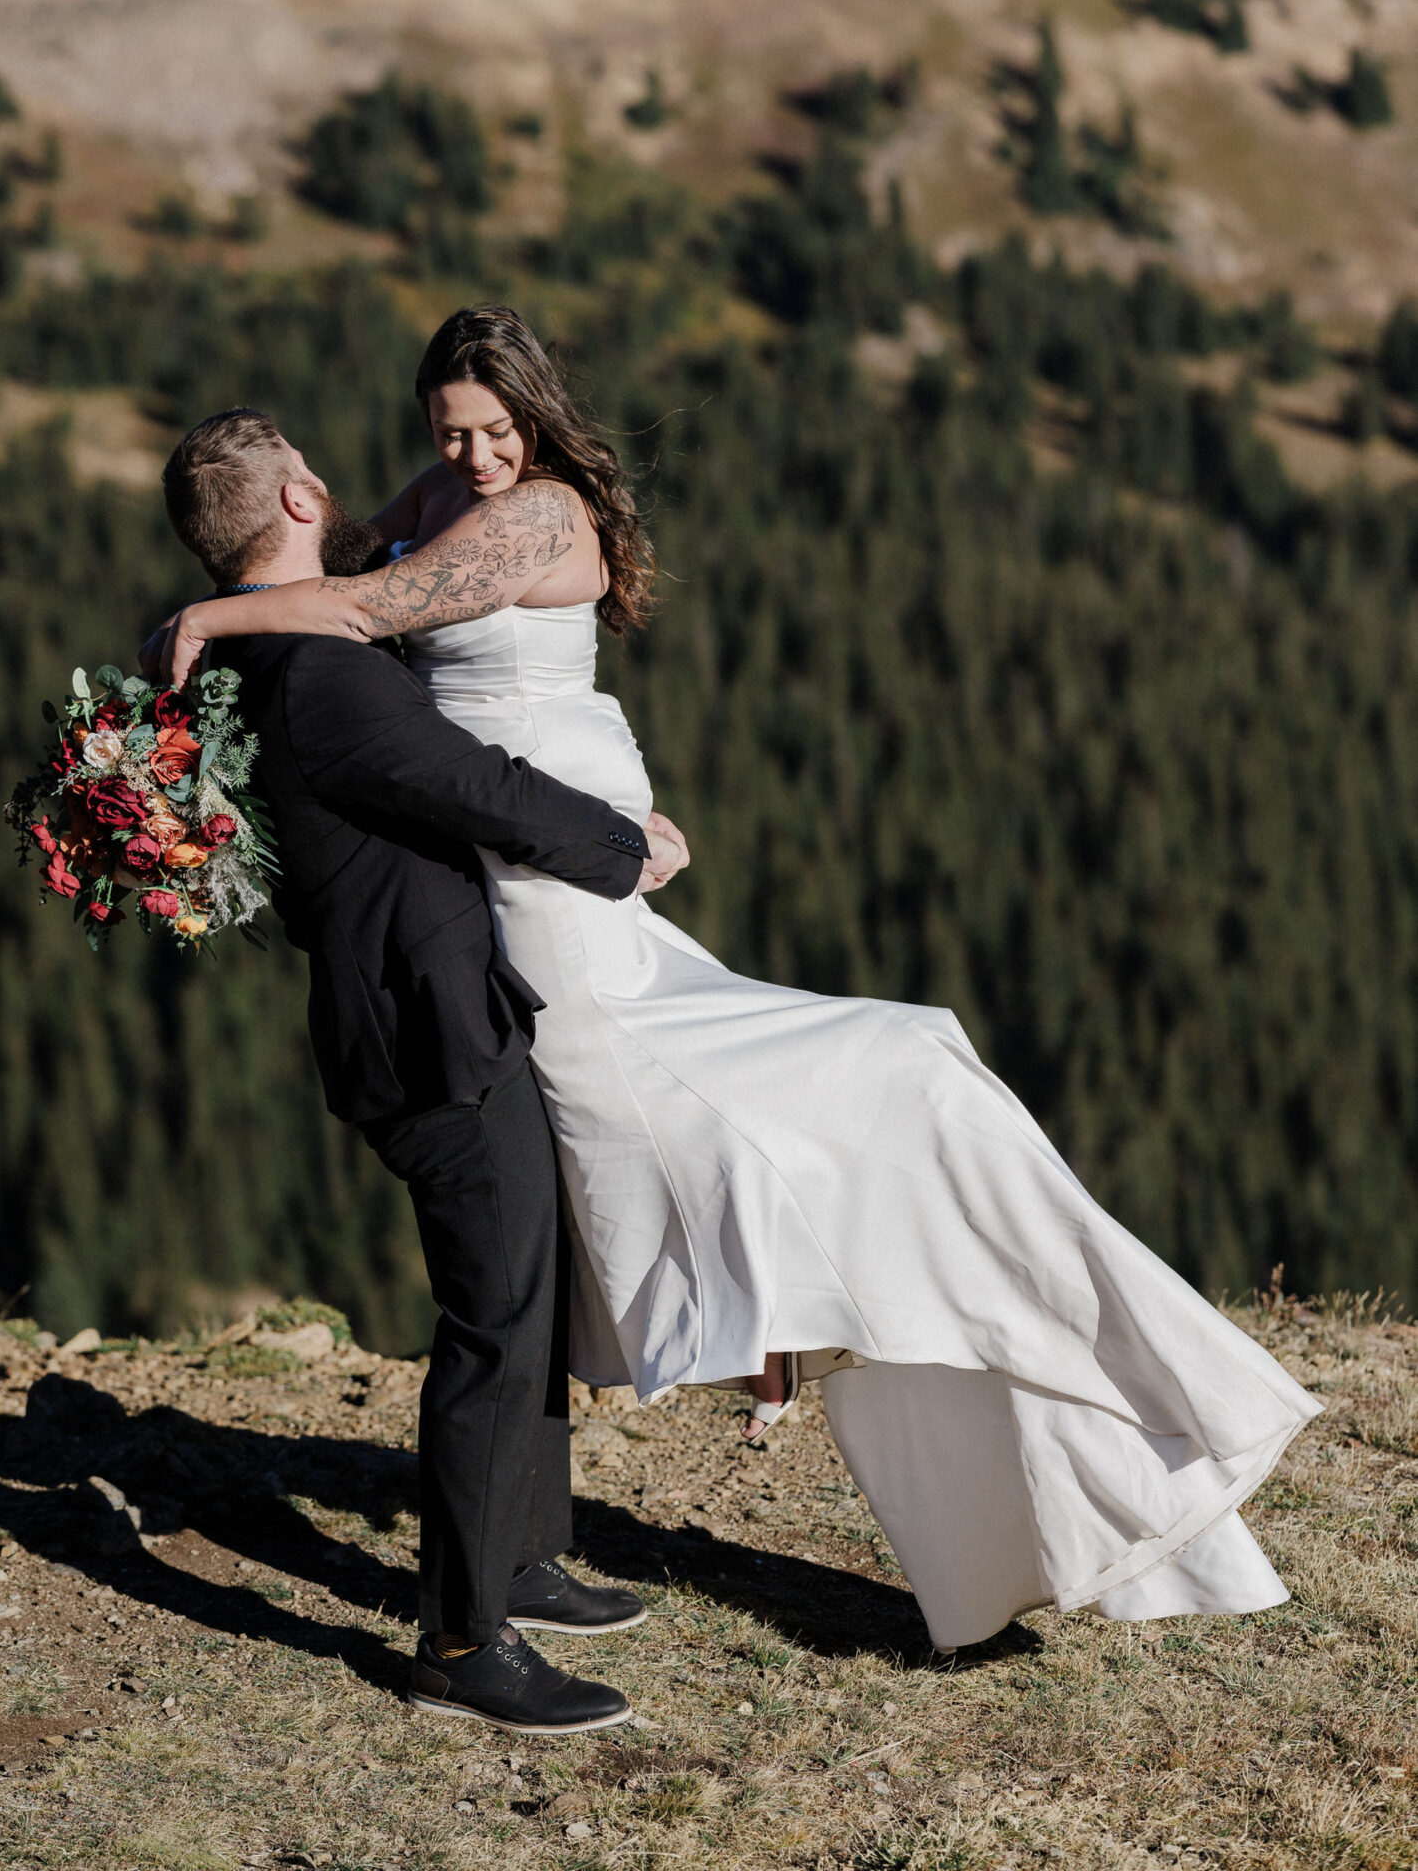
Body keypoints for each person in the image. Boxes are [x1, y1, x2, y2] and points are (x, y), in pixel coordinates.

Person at [150, 312, 1319, 1658]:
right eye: (448, 430)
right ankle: (689, 1396)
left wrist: (202, 615)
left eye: (493, 424)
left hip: (566, 898)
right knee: (828, 1115)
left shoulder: (535, 518)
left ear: (536, 408)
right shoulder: (439, 501)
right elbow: (342, 566)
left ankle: (1084, 1382)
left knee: (900, 1080)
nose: (472, 452)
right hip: (537, 902)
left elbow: (360, 603)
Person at [159, 406, 688, 1733]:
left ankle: (520, 1553)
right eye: (309, 473)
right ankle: (461, 1642)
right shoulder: (322, 677)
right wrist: (630, 849)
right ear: (294, 505)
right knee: (493, 1320)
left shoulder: (265, 659)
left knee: (530, 1284)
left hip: (430, 1001)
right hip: (426, 1027)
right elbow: (477, 788)